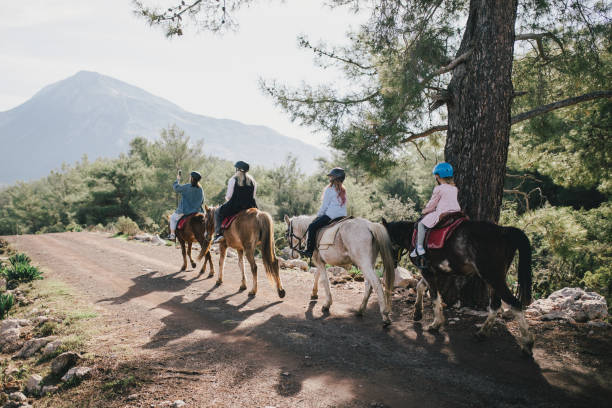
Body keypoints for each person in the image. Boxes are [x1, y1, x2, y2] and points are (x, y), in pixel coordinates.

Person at [411, 162, 461, 258]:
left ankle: (419, 247)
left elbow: (432, 204)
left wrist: (425, 211)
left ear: (437, 176)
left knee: (421, 224)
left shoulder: (438, 188)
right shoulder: (454, 188)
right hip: (456, 212)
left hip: (443, 212)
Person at [300, 167, 348, 258]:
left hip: (331, 216)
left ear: (335, 178)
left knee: (312, 226)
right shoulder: (343, 190)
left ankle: (309, 251)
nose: (330, 178)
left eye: (331, 176)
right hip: (342, 216)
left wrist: (318, 216)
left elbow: (324, 206)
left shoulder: (329, 190)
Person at [212, 161, 258, 244]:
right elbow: (253, 196)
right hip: (250, 206)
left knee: (217, 212)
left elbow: (228, 196)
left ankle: (218, 234)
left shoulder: (233, 180)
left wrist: (227, 201)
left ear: (237, 169)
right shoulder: (253, 181)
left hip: (234, 207)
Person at [168, 171, 204, 240]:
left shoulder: (187, 186)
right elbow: (202, 200)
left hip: (185, 211)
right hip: (197, 211)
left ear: (192, 178)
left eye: (190, 176)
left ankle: (172, 235)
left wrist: (177, 180)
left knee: (172, 218)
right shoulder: (200, 189)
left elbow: (176, 188)